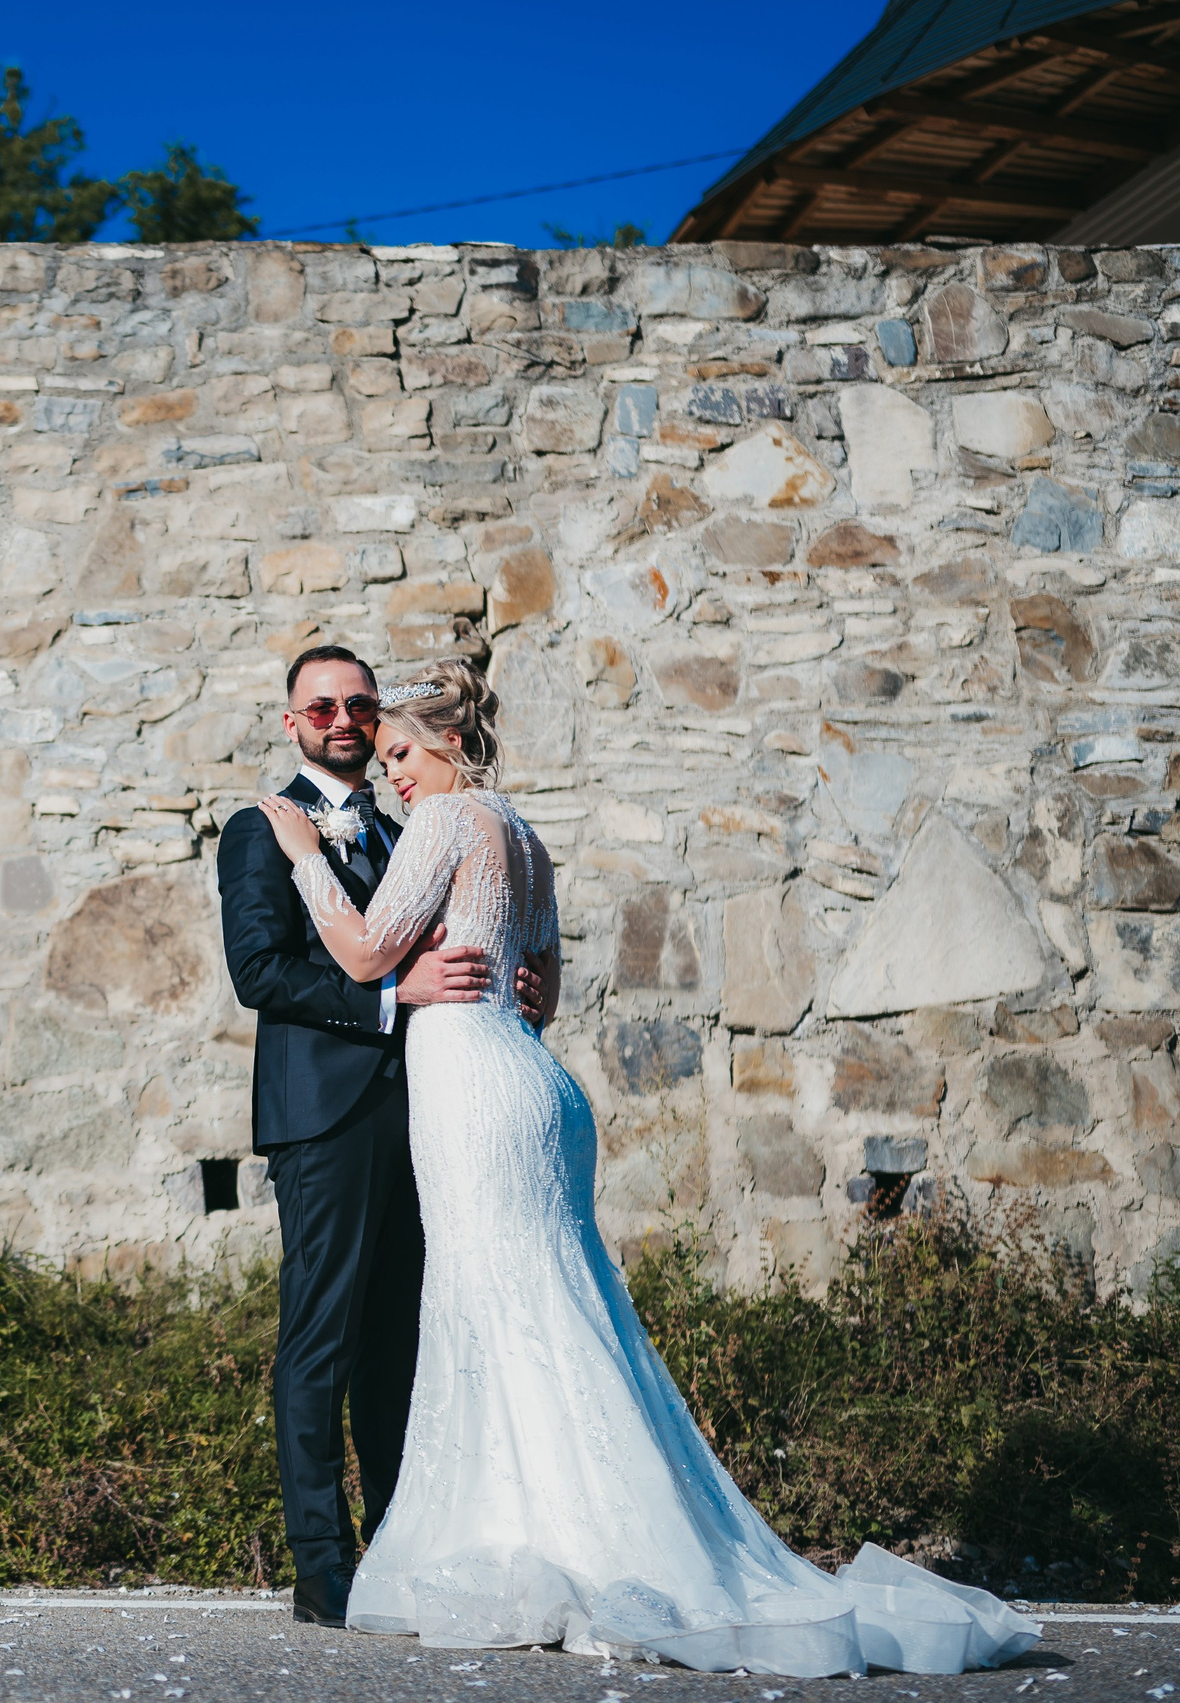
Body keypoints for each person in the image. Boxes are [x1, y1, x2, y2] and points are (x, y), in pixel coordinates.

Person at [249, 658, 1039, 1677]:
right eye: (385, 754)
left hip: (474, 1090)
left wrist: (305, 856)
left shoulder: (443, 819)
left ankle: (547, 1539)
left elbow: (363, 957)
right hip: (530, 1079)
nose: (393, 770)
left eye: (402, 749)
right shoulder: (522, 833)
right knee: (552, 1307)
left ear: (445, 744)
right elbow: (541, 985)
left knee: (497, 1307)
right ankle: (572, 1525)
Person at [217, 644, 539, 1630]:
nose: (344, 720)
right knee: (321, 1335)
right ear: (291, 722)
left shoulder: (415, 821)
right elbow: (261, 972)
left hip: (429, 1109)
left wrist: (510, 977)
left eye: (359, 704)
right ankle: (324, 1571)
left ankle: (400, 1552)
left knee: (401, 1340)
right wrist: (396, 994)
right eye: (321, 706)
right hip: (323, 1116)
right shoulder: (261, 829)